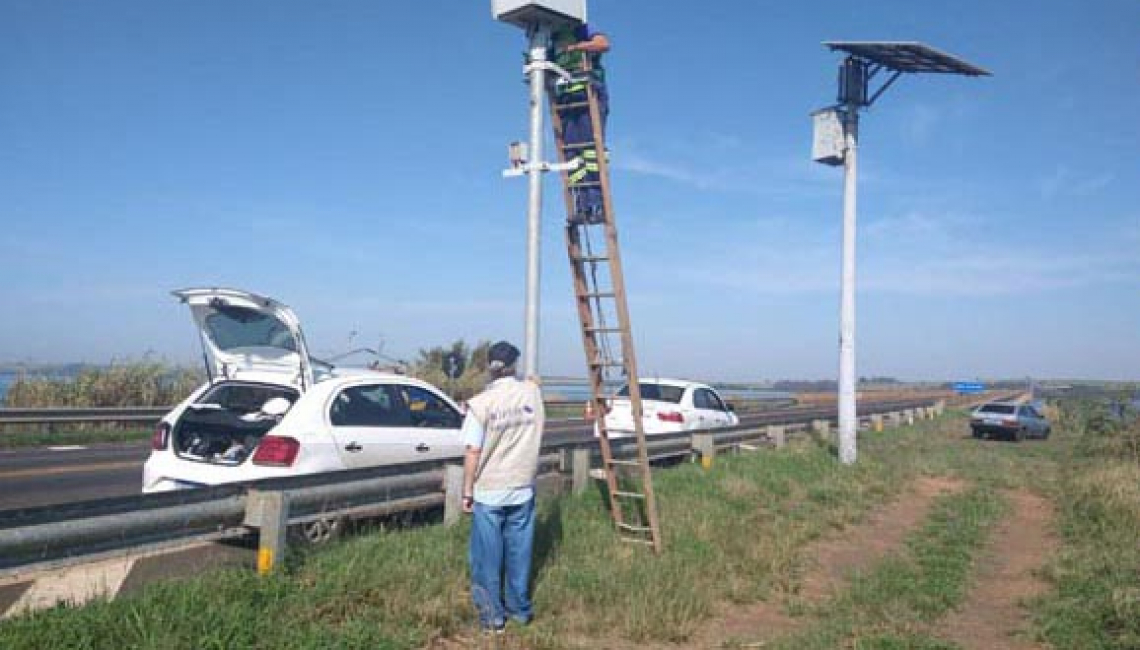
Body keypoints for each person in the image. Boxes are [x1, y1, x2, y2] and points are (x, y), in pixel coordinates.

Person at [461, 341, 545, 632]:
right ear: (514, 366)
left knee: (487, 557)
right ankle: (519, 609)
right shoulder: (532, 394)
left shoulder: (481, 404)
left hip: (489, 489)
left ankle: (493, 618)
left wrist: (467, 491)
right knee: (519, 554)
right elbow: (534, 382)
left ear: (489, 367)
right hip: (522, 486)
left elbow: (472, 452)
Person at [550, 24, 610, 225]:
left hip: (588, 95)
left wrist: (577, 48)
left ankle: (598, 204)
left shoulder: (579, 28)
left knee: (590, 150)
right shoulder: (550, 41)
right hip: (567, 101)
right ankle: (582, 207)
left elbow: (603, 44)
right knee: (572, 155)